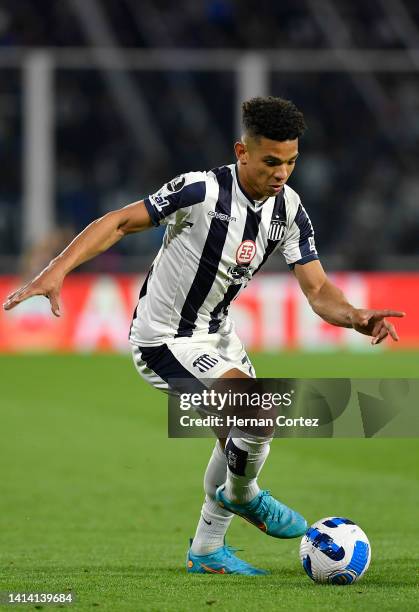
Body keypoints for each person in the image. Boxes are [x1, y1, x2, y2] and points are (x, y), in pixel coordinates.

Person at [3, 96, 405, 575]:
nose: (282, 173)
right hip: (164, 340)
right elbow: (118, 222)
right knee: (256, 413)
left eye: (292, 162)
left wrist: (356, 316)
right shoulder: (200, 190)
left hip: (219, 336)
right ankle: (244, 497)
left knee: (240, 436)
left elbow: (317, 289)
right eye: (271, 161)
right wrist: (56, 269)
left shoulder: (290, 210)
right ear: (242, 152)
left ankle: (207, 549)